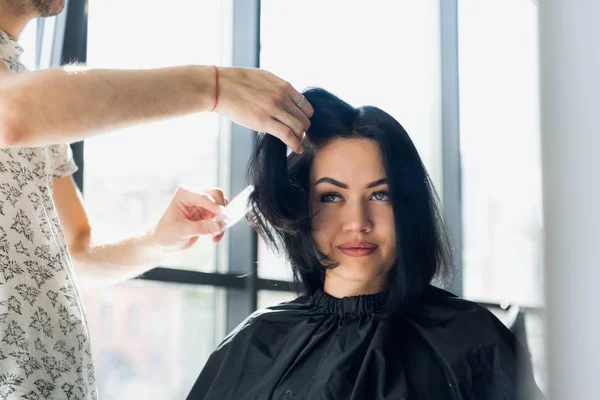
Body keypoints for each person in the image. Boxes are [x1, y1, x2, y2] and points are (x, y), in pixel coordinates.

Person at [0, 1, 314, 399]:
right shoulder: (20, 102)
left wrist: (159, 239)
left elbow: (77, 254)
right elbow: (11, 113)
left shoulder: (29, 90)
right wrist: (213, 86)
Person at [186, 87, 546, 400]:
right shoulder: (254, 343)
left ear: (408, 205)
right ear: (300, 206)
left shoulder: (475, 341)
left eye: (380, 195)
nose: (358, 222)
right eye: (331, 197)